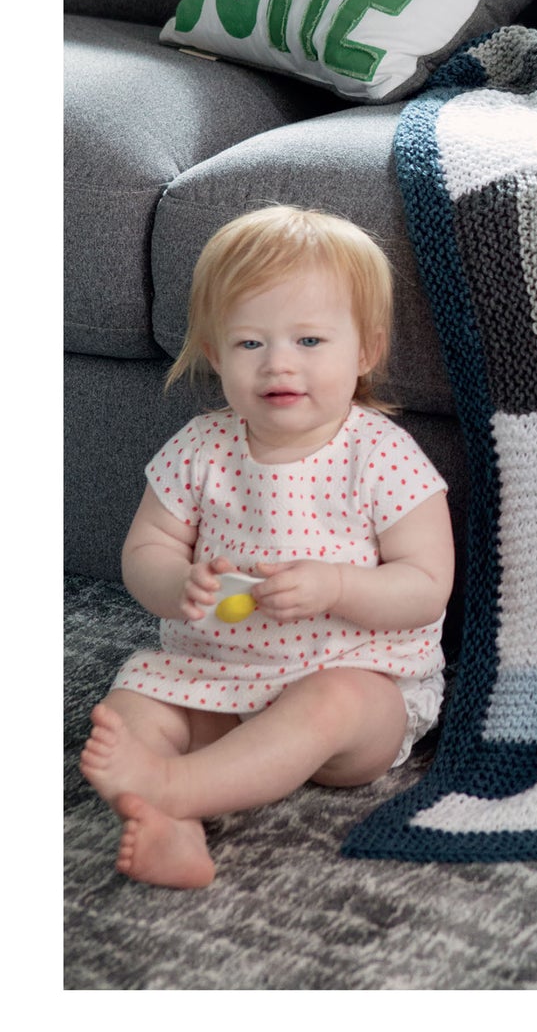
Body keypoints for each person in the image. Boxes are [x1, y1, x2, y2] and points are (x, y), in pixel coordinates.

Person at [79, 205, 454, 888]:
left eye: (310, 340)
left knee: (330, 701)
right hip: (221, 674)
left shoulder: (381, 455)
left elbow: (426, 583)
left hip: (356, 683)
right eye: (250, 343)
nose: (279, 361)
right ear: (218, 354)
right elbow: (146, 551)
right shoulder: (200, 449)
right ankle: (169, 821)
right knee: (130, 706)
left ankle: (175, 786)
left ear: (363, 351)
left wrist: (338, 587)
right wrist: (178, 582)